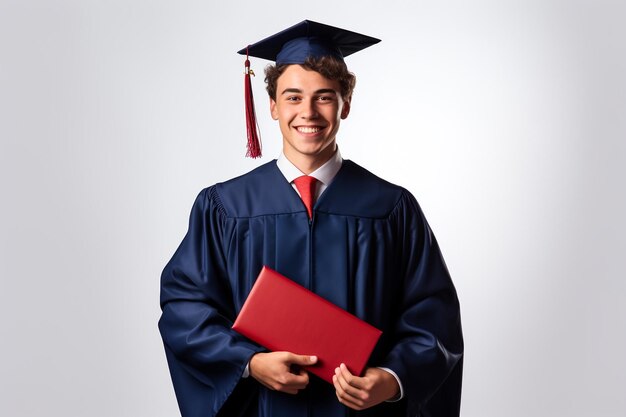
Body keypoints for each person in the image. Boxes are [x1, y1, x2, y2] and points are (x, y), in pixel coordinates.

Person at [159, 20, 463, 417]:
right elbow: (186, 307)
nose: (308, 112)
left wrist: (391, 379)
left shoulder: (391, 208)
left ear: (345, 104)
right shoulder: (225, 207)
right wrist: (249, 362)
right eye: (293, 97)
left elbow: (433, 316)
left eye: (324, 97)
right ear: (272, 106)